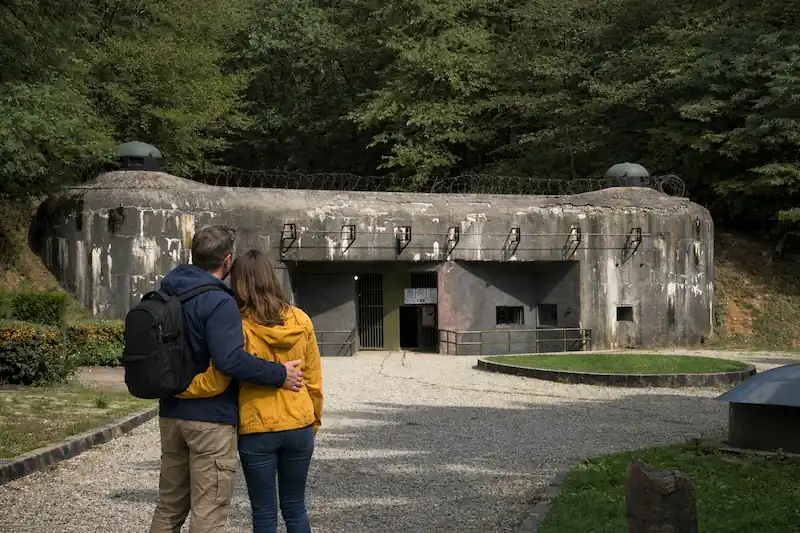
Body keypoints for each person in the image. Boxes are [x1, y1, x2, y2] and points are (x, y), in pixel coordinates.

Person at [149, 226, 305, 533]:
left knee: (169, 506)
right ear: (228, 260)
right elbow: (230, 360)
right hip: (211, 420)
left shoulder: (167, 291)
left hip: (170, 414)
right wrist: (279, 374)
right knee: (209, 512)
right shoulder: (219, 302)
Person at [181, 249, 323, 533]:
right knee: (295, 507)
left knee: (264, 513)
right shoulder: (302, 320)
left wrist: (181, 389)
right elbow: (314, 380)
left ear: (239, 284)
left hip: (257, 427)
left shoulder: (238, 324)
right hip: (299, 424)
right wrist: (312, 421)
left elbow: (217, 379)